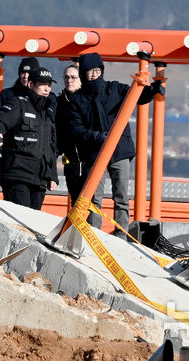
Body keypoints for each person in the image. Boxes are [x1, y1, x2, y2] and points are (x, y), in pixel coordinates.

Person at [67, 53, 163, 237]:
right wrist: (98, 137)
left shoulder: (115, 89)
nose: (94, 74)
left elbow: (138, 96)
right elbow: (76, 129)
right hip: (95, 154)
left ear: (102, 70)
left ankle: (121, 236)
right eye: (90, 71)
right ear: (84, 74)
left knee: (121, 196)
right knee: (94, 198)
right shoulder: (78, 99)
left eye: (97, 70)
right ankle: (93, 235)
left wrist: (153, 89)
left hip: (119, 152)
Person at [0, 67, 59, 210]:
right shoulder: (18, 103)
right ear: (31, 85)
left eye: (49, 85)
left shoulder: (48, 112)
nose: (47, 88)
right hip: (17, 175)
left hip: (40, 179)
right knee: (19, 220)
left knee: (33, 224)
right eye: (42, 84)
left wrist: (53, 175)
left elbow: (51, 147)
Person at [55, 63, 82, 204]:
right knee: (75, 199)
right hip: (70, 158)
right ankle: (75, 227)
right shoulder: (59, 103)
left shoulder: (89, 100)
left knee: (92, 200)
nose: (69, 80)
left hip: (88, 159)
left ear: (81, 79)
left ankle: (92, 227)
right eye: (66, 77)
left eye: (73, 77)